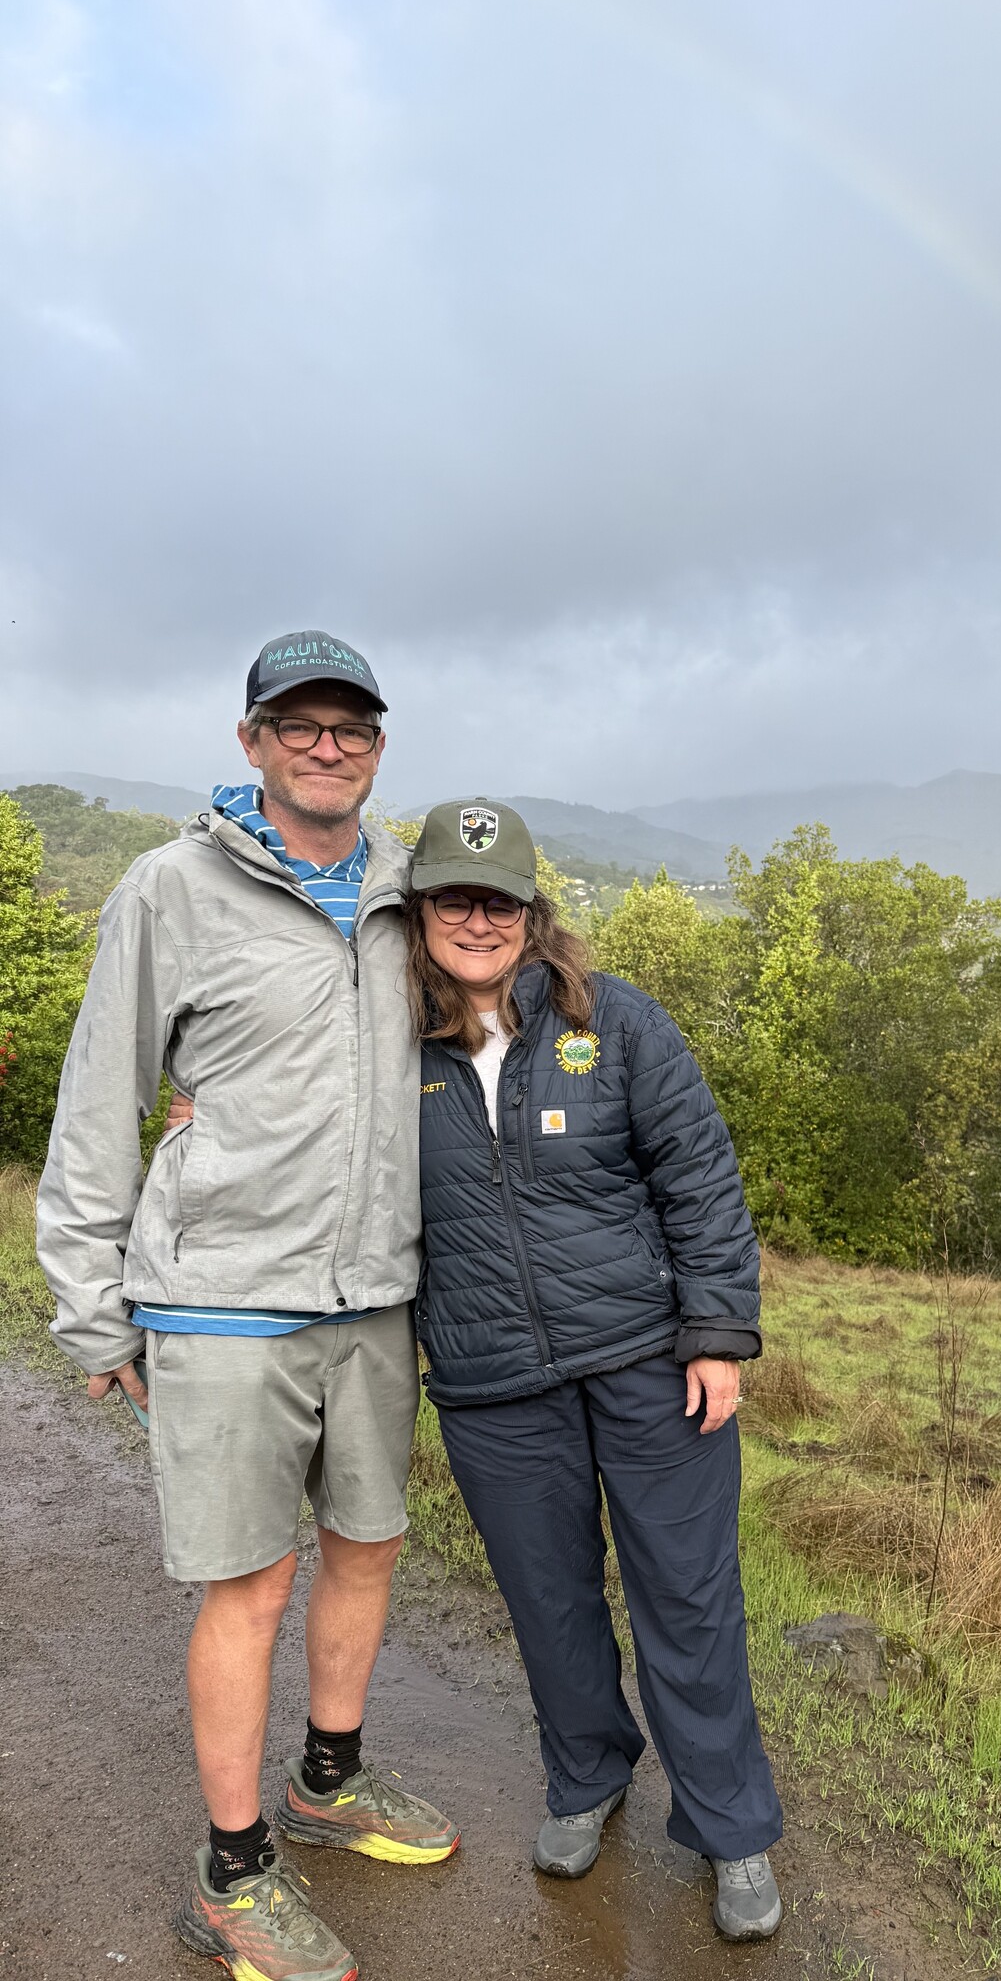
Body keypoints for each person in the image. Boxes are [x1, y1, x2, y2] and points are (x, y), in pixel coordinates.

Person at [37, 632, 458, 1981]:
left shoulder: (409, 888)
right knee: (249, 1587)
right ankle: (230, 1874)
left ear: (380, 747)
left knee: (371, 1541)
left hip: (374, 1294)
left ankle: (327, 1781)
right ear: (252, 741)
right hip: (223, 1301)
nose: (327, 746)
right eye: (300, 723)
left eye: (353, 727)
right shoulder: (171, 888)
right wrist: (91, 1304)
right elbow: (101, 1096)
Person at [405, 798, 784, 1941]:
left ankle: (732, 1827)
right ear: (420, 909)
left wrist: (717, 1331)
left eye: (499, 897)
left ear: (534, 910)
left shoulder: (613, 1024)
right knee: (550, 1602)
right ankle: (588, 1776)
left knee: (689, 1595)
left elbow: (701, 1177)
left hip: (648, 1367)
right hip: (491, 1383)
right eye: (455, 896)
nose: (478, 918)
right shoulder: (382, 1046)